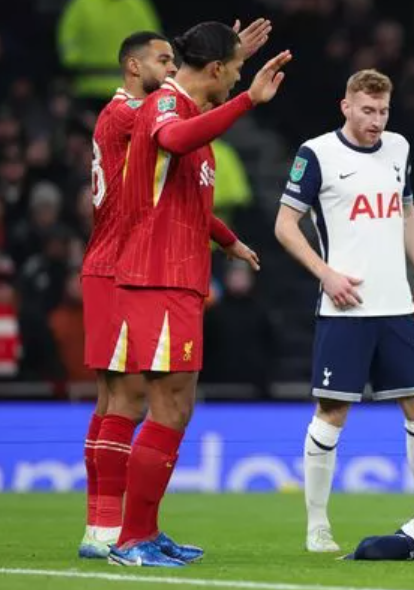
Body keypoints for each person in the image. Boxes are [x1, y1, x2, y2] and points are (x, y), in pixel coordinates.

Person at [78, 23, 272, 560]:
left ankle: (140, 530)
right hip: (155, 276)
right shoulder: (164, 104)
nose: (237, 80)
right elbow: (171, 138)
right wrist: (247, 103)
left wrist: (228, 240)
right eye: (232, 70)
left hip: (179, 276)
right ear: (214, 70)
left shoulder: (183, 109)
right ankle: (125, 535)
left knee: (175, 408)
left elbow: (184, 196)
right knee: (157, 403)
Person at [275, 69, 414, 552]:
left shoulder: (399, 148)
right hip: (345, 308)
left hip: (395, 307)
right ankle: (317, 524)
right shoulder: (317, 153)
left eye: (383, 111)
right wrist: (325, 273)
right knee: (332, 410)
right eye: (367, 110)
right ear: (345, 106)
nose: (376, 121)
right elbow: (286, 224)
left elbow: (407, 212)